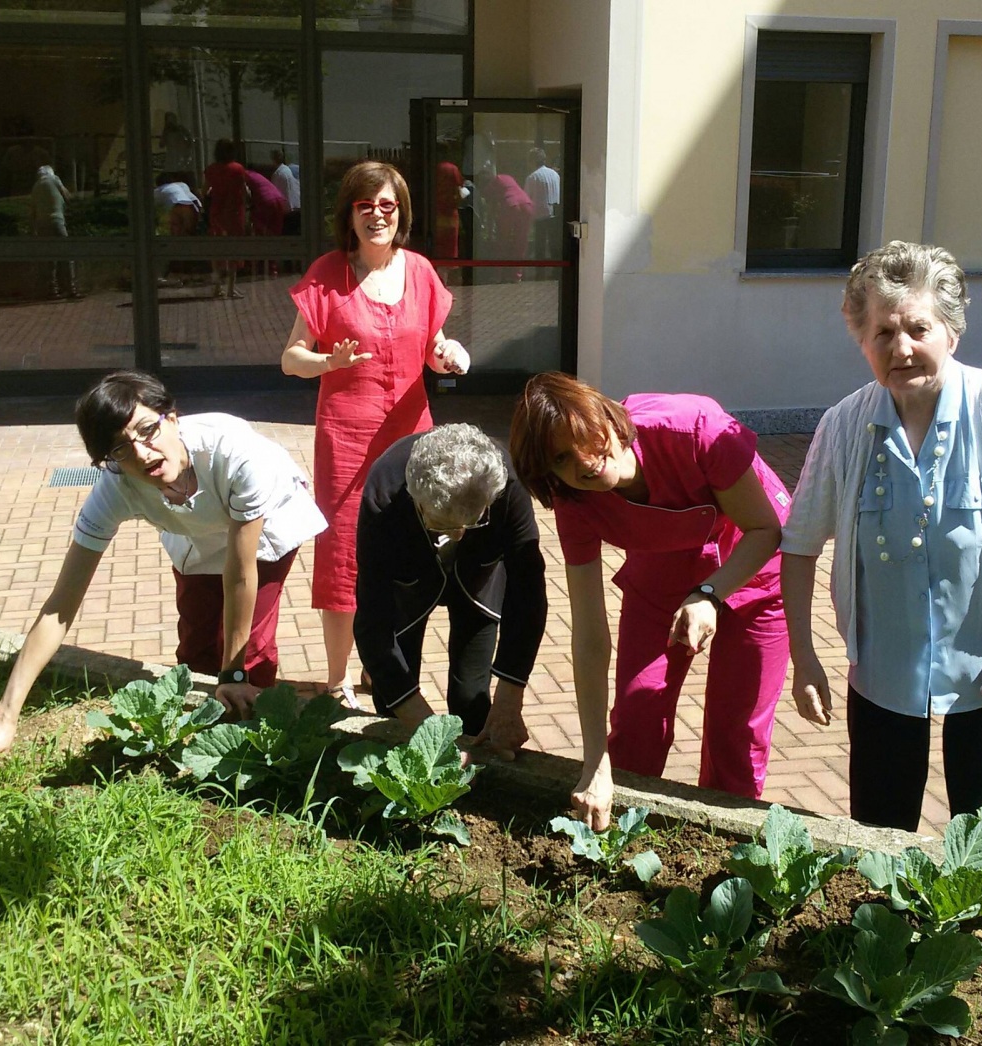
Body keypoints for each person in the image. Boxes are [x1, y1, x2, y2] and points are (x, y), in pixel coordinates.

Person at [780, 241, 982, 858]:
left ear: (951, 331)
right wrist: (804, 656)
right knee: (879, 840)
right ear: (860, 338)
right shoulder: (844, 425)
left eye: (918, 328)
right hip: (884, 670)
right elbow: (799, 543)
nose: (901, 348)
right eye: (883, 331)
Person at [0, 370, 327, 770]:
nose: (142, 454)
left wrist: (234, 675)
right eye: (120, 449)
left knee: (249, 651)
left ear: (172, 418)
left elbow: (241, 574)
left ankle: (259, 753)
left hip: (263, 526)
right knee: (195, 646)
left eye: (148, 430)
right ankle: (199, 737)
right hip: (193, 530)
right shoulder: (115, 486)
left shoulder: (237, 455)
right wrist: (5, 717)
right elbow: (60, 605)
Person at [510, 372, 792, 829]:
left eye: (585, 436)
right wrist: (593, 761)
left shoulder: (693, 428)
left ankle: (725, 851)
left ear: (606, 415)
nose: (584, 462)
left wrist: (710, 592)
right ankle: (619, 831)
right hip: (659, 572)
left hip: (753, 567)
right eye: (561, 458)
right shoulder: (575, 505)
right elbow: (589, 636)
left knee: (736, 734)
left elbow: (766, 530)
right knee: (638, 716)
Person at [280, 160, 470, 708]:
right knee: (342, 556)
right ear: (350, 214)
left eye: (387, 206)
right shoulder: (327, 274)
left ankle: (385, 669)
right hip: (345, 440)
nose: (377, 215)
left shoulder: (420, 271)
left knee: (407, 556)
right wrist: (325, 361)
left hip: (413, 442)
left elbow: (434, 346)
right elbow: (291, 359)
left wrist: (449, 354)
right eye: (366, 206)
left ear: (401, 213)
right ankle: (340, 680)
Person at [354, 424, 547, 757]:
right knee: (392, 699)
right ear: (415, 496)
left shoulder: (508, 483)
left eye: (471, 523)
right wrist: (428, 735)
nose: (458, 536)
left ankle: (476, 772)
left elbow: (528, 594)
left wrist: (510, 696)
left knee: (472, 697)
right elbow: (372, 620)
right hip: (408, 579)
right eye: (442, 525)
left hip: (479, 578)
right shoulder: (384, 491)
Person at [203, 138, 248, 298]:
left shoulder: (211, 170)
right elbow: (244, 191)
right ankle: (231, 288)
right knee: (233, 250)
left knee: (217, 251)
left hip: (217, 213)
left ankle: (217, 287)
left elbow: (205, 190)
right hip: (234, 213)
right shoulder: (237, 169)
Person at [30, 164, 77, 298]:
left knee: (49, 257)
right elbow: (66, 195)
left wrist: (33, 230)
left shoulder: (35, 187)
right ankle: (71, 288)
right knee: (67, 254)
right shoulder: (54, 179)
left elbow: (32, 212)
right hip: (57, 221)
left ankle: (52, 289)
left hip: (42, 224)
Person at [523, 148, 561, 260]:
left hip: (539, 215)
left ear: (532, 161)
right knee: (554, 245)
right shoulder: (555, 175)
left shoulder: (532, 177)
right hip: (554, 214)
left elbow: (526, 198)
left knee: (540, 245)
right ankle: (555, 270)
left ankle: (540, 271)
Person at [270, 149, 302, 235]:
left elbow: (274, 194)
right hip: (296, 207)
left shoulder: (278, 174)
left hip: (287, 211)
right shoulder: (288, 170)